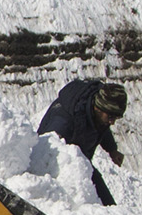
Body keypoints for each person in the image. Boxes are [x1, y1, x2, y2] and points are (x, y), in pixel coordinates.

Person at [39, 76, 128, 205]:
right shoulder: (64, 122)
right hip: (59, 169)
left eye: (116, 117)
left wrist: (112, 149)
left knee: (108, 208)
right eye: (111, 117)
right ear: (98, 108)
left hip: (82, 163)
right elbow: (45, 154)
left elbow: (101, 126)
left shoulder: (98, 111)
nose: (112, 122)